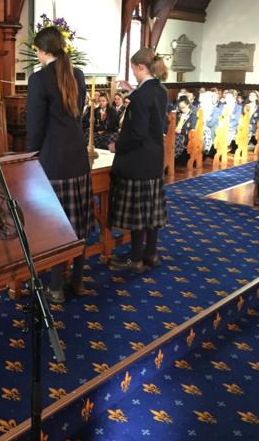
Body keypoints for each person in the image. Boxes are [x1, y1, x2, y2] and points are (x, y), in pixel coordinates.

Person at [26, 26, 93, 304]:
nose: (38, 56)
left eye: (37, 52)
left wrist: (30, 157)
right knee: (75, 224)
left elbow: (35, 126)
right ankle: (76, 282)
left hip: (52, 162)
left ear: (43, 51)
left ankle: (55, 287)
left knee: (56, 226)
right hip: (77, 159)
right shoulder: (76, 73)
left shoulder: (39, 79)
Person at [108, 48, 168, 274]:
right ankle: (151, 254)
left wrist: (117, 146)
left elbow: (138, 133)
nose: (133, 73)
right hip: (153, 159)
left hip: (138, 160)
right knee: (151, 212)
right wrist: (132, 91)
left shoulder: (141, 95)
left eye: (134, 68)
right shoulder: (160, 90)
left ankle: (135, 259)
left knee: (138, 215)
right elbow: (156, 121)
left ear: (140, 67)